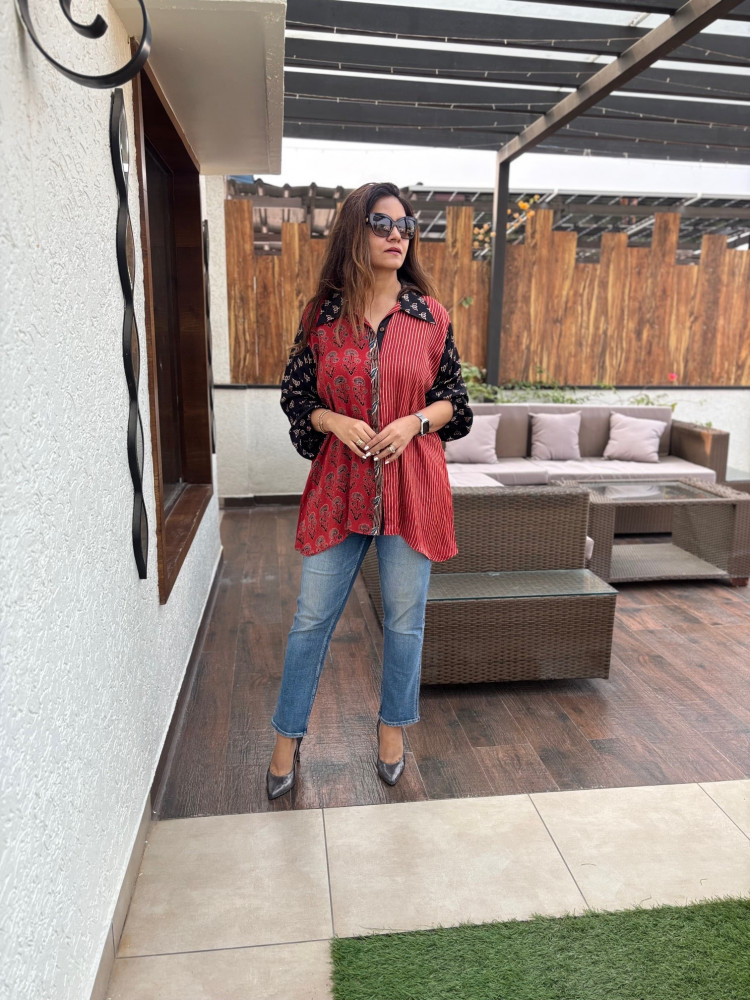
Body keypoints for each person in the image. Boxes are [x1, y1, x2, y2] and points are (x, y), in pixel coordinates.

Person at [267, 181, 473, 799]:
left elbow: (455, 403)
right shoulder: (322, 317)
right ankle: (285, 739)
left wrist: (414, 423)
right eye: (382, 223)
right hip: (340, 488)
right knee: (310, 619)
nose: (396, 235)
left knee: (406, 622)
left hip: (413, 489)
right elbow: (296, 398)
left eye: (405, 225)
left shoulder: (430, 317)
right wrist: (333, 420)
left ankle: (391, 731)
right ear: (355, 231)